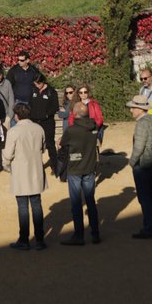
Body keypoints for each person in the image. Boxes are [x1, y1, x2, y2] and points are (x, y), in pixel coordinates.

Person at [3, 103, 47, 250]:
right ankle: (40, 239)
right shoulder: (39, 128)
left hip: (21, 171)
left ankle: (24, 239)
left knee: (23, 206)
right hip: (36, 170)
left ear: (17, 115)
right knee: (36, 204)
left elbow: (8, 154)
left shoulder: (14, 132)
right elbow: (43, 148)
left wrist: (6, 166)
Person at [59, 101, 100, 245]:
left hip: (75, 168)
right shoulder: (94, 127)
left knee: (76, 203)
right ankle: (95, 233)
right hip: (89, 167)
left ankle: (79, 235)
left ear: (74, 114)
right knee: (90, 201)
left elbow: (62, 144)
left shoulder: (71, 130)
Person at [126, 94, 152, 240]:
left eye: (133, 107)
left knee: (145, 198)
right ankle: (151, 227)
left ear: (139, 109)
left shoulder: (142, 123)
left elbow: (139, 147)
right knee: (151, 196)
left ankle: (148, 229)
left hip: (143, 164)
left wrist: (132, 162)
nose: (131, 110)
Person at [29, 74, 59, 171]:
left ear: (43, 81)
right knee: (35, 145)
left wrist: (46, 115)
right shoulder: (33, 90)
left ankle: (55, 166)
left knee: (50, 144)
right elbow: (29, 104)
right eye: (35, 83)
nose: (37, 85)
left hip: (47, 122)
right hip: (34, 122)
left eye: (39, 83)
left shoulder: (51, 92)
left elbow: (55, 107)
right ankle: (37, 166)